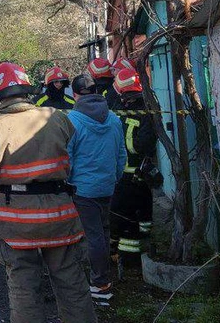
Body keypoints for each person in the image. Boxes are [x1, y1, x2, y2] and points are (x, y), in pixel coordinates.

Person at [0, 62, 96, 323]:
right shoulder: (57, 117)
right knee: (72, 284)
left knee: (24, 288)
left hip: (16, 222)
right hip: (60, 214)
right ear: (26, 89)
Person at [67, 75, 126, 304]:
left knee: (94, 236)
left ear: (75, 95)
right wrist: (114, 178)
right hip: (107, 185)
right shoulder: (113, 118)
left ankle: (100, 284)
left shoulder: (72, 119)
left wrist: (68, 182)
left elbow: (68, 157)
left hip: (83, 188)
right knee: (103, 231)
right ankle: (103, 278)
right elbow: (121, 154)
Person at [110, 68, 158, 269]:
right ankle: (143, 242)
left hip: (125, 175)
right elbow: (147, 143)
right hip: (140, 173)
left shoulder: (119, 112)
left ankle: (127, 260)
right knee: (143, 210)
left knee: (124, 216)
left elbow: (136, 144)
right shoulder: (148, 110)